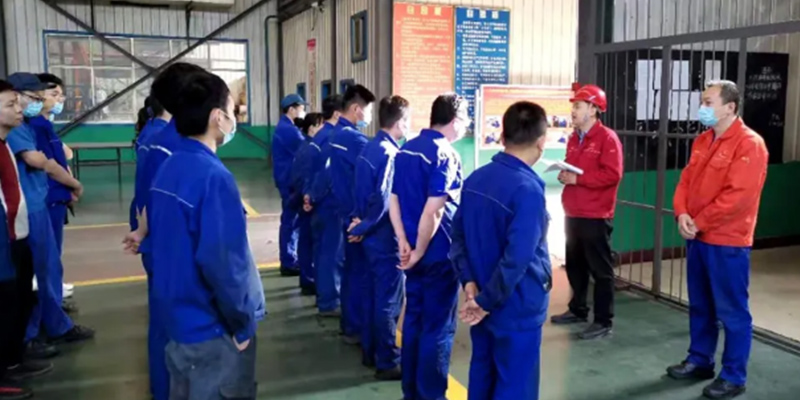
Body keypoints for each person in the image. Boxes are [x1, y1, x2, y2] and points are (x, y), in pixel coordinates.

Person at [148, 71, 266, 400]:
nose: (233, 119)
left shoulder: (169, 168)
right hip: (211, 332)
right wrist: (242, 324)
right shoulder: (214, 177)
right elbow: (225, 264)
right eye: (232, 111)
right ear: (217, 117)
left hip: (178, 325)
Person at [667, 80, 768, 400]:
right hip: (697, 236)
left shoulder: (749, 144)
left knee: (732, 311)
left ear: (730, 107)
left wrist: (699, 222)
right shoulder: (702, 140)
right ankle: (700, 360)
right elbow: (685, 181)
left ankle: (733, 376)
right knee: (701, 305)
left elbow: (738, 197)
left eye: (708, 102)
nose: (702, 108)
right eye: (702, 102)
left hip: (727, 241)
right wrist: (682, 213)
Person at [451, 101, 552, 400]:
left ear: (502, 136)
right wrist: (486, 301)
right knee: (515, 385)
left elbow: (458, 237)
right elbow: (517, 258)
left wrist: (470, 284)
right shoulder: (528, 190)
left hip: (481, 298)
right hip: (516, 306)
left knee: (483, 376)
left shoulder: (476, 179)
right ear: (542, 141)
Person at [122, 63, 205, 400]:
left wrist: (141, 230)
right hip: (169, 245)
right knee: (171, 325)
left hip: (157, 240)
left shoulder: (155, 138)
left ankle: (164, 387)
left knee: (163, 321)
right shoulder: (173, 145)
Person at [5, 73, 94, 359]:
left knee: (46, 267)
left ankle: (50, 325)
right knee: (37, 271)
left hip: (39, 202)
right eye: (33, 98)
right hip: (30, 207)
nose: (38, 102)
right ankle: (30, 335)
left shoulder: (29, 125)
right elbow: (38, 159)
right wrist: (73, 183)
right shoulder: (18, 129)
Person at [390, 93, 466, 400]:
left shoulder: (406, 149)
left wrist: (403, 242)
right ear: (455, 120)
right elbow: (434, 211)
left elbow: (393, 199)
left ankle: (411, 392)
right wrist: (420, 250)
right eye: (465, 120)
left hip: (410, 251)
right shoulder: (445, 154)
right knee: (437, 327)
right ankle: (432, 394)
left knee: (414, 320)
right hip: (436, 254)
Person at [550, 84, 623, 341]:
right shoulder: (574, 138)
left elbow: (613, 175)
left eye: (578, 106)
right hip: (573, 211)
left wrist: (578, 180)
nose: (573, 111)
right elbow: (574, 169)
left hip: (596, 213)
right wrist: (565, 175)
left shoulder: (607, 139)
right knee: (576, 265)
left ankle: (603, 320)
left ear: (593, 109)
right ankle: (577, 309)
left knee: (600, 270)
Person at [348, 95, 410, 380]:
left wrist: (357, 224)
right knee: (388, 301)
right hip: (383, 238)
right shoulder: (390, 154)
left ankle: (370, 352)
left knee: (372, 295)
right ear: (400, 122)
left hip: (368, 238)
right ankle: (387, 361)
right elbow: (384, 201)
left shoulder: (369, 148)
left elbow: (359, 191)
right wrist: (363, 226)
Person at [0, 79, 51, 400]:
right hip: (3, 242)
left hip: (18, 237)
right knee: (4, 306)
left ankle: (13, 360)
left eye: (19, 103)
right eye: (10, 104)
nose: (19, 109)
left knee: (19, 301)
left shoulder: (5, 143)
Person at [329, 84, 376, 349]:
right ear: (357, 109)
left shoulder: (336, 134)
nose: (368, 116)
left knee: (351, 270)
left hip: (343, 211)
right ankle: (356, 327)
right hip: (356, 216)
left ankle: (349, 323)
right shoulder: (355, 141)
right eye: (367, 111)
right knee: (360, 272)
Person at [27, 73, 76, 314]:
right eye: (53, 94)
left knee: (53, 254)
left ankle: (52, 298)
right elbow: (48, 164)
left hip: (57, 197)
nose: (59, 99)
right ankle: (50, 308)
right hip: (48, 198)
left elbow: (64, 156)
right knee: (47, 256)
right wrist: (74, 184)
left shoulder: (46, 126)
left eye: (61, 95)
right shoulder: (35, 127)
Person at [305, 95, 345, 317]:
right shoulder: (334, 138)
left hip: (317, 203)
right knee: (332, 253)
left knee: (321, 251)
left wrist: (308, 195)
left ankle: (323, 295)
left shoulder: (318, 136)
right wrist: (315, 195)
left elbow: (310, 169)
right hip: (330, 203)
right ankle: (329, 301)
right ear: (338, 114)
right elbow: (329, 174)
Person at [272, 94, 308, 277]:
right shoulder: (289, 131)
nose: (303, 112)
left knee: (291, 220)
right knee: (291, 221)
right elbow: (306, 148)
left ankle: (289, 258)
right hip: (289, 182)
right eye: (301, 108)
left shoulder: (286, 127)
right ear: (292, 109)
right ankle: (288, 261)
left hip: (286, 179)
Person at [289, 112, 325, 296]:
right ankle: (308, 278)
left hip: (303, 198)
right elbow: (305, 177)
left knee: (306, 240)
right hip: (306, 201)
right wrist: (307, 198)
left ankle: (307, 277)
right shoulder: (311, 149)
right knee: (308, 241)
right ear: (312, 129)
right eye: (321, 125)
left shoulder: (306, 146)